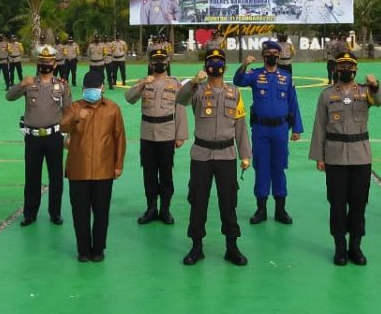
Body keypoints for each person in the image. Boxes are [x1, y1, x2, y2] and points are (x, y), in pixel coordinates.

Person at [176, 47, 252, 266]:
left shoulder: (234, 93)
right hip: (201, 155)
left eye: (219, 61)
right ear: (205, 66)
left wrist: (245, 155)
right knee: (198, 201)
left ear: (225, 67)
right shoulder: (197, 90)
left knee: (228, 202)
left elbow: (240, 126)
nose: (215, 65)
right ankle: (196, 246)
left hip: (227, 155)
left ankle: (232, 246)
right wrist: (192, 81)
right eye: (211, 61)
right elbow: (180, 100)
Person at [309, 52, 381, 265]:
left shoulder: (365, 91)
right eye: (342, 66)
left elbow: (380, 101)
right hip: (335, 156)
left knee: (359, 204)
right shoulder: (327, 95)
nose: (346, 70)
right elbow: (319, 126)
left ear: (356, 70)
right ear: (336, 69)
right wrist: (319, 156)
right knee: (337, 204)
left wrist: (375, 85)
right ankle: (340, 247)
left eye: (350, 66)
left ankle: (355, 246)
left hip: (360, 155)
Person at [232, 41, 303, 225]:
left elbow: (293, 103)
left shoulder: (286, 77)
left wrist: (296, 128)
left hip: (280, 129)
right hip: (261, 129)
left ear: (279, 56)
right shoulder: (255, 75)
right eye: (268, 53)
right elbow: (237, 81)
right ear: (263, 56)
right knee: (261, 168)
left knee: (279, 168)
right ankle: (261, 209)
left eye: (274, 53)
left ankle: (280, 209)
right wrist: (245, 64)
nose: (272, 55)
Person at [60, 70, 126, 262]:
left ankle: (98, 249)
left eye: (95, 88)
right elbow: (62, 126)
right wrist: (76, 117)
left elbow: (119, 137)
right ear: (83, 89)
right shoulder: (75, 107)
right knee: (79, 213)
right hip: (78, 170)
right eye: (88, 89)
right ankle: (83, 250)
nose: (92, 92)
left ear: (102, 88)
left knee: (101, 212)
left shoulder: (113, 109)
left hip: (103, 170)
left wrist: (118, 164)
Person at [8, 45, 70, 225]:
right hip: (33, 137)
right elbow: (9, 96)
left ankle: (55, 212)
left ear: (55, 64)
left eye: (49, 61)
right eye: (42, 61)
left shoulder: (62, 85)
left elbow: (68, 111)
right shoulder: (29, 83)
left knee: (56, 177)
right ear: (37, 63)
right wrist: (21, 84)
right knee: (32, 176)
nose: (45, 64)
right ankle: (30, 213)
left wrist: (68, 134)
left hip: (54, 137)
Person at [125, 46, 188, 224]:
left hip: (167, 133)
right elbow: (129, 98)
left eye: (162, 60)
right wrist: (143, 83)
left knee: (166, 174)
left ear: (167, 63)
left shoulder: (175, 84)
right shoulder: (144, 82)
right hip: (147, 134)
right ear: (150, 64)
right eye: (155, 61)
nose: (159, 63)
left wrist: (180, 134)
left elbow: (180, 109)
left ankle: (165, 209)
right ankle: (151, 208)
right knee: (149, 174)